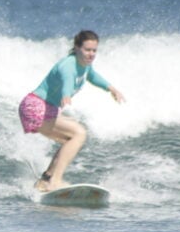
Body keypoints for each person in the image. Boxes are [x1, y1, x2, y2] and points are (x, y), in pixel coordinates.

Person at [18, 30, 125, 192]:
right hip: (35, 106)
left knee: (70, 139)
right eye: (87, 50)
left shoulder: (86, 66)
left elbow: (93, 76)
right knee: (79, 133)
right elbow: (67, 79)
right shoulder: (68, 65)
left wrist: (111, 89)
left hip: (47, 109)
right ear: (76, 48)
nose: (91, 54)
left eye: (94, 50)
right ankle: (55, 181)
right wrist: (66, 95)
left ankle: (45, 180)